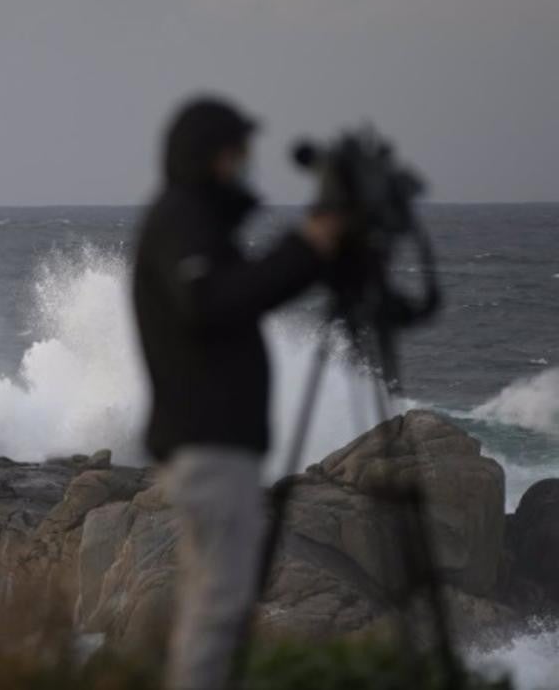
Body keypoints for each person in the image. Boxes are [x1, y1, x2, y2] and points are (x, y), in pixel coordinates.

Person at [131, 96, 343, 690]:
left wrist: (311, 254)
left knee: (215, 606)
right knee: (220, 607)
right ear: (208, 158)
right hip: (209, 446)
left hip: (213, 447)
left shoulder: (191, 220)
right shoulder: (182, 218)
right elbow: (210, 301)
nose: (244, 166)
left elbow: (236, 293)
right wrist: (306, 246)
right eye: (235, 153)